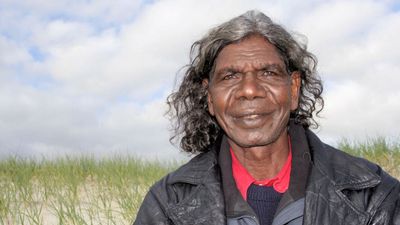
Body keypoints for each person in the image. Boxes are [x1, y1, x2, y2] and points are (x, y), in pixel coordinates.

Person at [133, 10, 400, 225]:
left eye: (268, 73)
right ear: (209, 98)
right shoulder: (167, 204)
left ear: (294, 89)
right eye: (230, 76)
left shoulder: (373, 196)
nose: (249, 90)